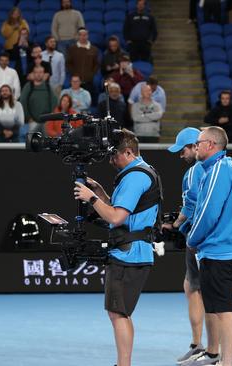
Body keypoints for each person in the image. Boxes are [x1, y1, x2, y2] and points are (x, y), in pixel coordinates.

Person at [73, 129, 159, 366]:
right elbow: (122, 209)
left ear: (129, 152)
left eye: (114, 155)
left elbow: (116, 217)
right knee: (120, 313)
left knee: (118, 314)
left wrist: (91, 198)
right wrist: (100, 193)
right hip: (131, 251)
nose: (111, 160)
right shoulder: (139, 172)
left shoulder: (134, 177)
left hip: (128, 253)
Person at [187, 126, 232, 366]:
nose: (196, 146)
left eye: (199, 142)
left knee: (223, 311)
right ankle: (224, 360)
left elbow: (208, 213)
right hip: (219, 251)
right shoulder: (220, 168)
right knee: (222, 309)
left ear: (210, 145)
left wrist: (192, 239)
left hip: (218, 252)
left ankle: (227, 362)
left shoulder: (219, 171)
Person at [164, 128, 212, 365]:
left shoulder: (195, 171)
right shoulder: (216, 169)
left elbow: (192, 207)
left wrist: (175, 224)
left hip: (199, 241)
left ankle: (202, 346)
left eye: (182, 149)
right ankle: (216, 346)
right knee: (205, 291)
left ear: (195, 146)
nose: (180, 155)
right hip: (208, 241)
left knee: (195, 289)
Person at [20, 65, 58, 133]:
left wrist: (51, 118)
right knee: (32, 141)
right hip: (32, 121)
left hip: (47, 121)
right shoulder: (28, 86)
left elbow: (54, 102)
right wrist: (28, 118)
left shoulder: (48, 87)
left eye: (40, 72)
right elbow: (23, 102)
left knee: (46, 142)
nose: (38, 74)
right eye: (36, 72)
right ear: (33, 74)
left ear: (43, 74)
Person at [66, 28, 100, 96]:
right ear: (78, 36)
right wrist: (74, 74)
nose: (83, 37)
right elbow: (68, 63)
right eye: (81, 35)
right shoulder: (72, 49)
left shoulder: (94, 49)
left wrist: (91, 74)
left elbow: (97, 64)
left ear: (88, 36)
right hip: (75, 81)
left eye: (85, 35)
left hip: (89, 81)